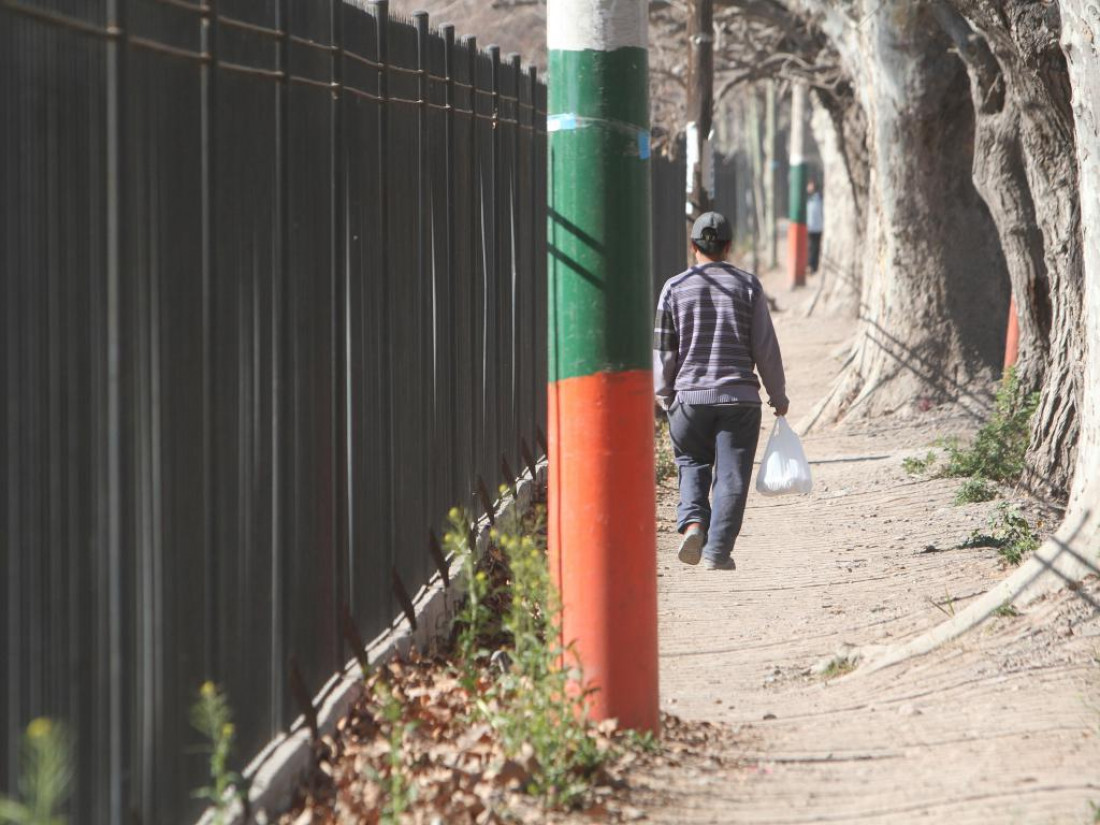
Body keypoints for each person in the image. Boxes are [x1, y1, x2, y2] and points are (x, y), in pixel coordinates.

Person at [653, 212, 789, 571]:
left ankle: (694, 525)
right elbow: (765, 348)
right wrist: (778, 396)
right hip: (739, 400)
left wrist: (665, 394)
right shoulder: (748, 286)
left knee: (691, 463)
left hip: (689, 399)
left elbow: (664, 350)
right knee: (732, 474)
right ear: (729, 247)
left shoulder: (674, 288)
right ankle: (717, 552)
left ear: (693, 246)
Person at [806, 178, 824, 274]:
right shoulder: (808, 198)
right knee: (810, 247)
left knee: (815, 248)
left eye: (810, 185)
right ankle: (810, 265)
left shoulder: (819, 198)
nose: (808, 187)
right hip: (810, 227)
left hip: (818, 227)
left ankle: (814, 267)